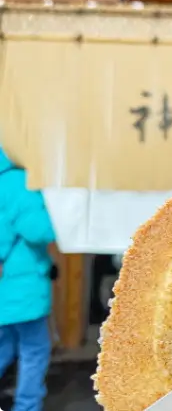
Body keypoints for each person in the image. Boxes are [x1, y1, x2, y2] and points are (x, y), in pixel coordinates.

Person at [0, 146, 56, 411]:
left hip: (7, 286)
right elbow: (38, 231)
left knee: (5, 345)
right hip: (20, 284)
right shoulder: (17, 182)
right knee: (34, 350)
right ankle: (26, 407)